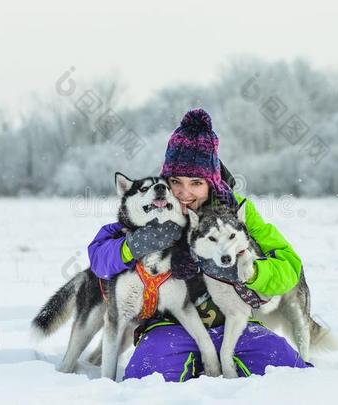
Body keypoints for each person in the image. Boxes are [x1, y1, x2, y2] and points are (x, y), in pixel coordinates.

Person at [88, 108, 312, 382]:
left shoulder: (238, 212)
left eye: (196, 183)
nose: (184, 193)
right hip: (170, 326)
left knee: (288, 367)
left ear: (211, 183)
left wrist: (252, 273)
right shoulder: (151, 211)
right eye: (176, 182)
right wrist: (130, 246)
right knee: (145, 374)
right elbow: (98, 258)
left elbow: (289, 266)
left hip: (234, 324)